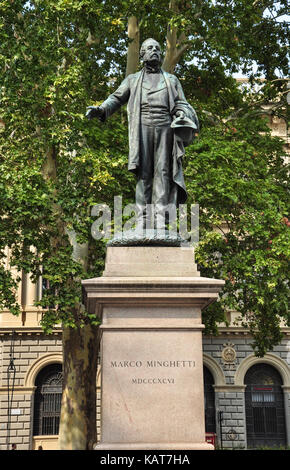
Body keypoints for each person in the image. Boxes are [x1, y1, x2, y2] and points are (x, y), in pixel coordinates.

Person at [86, 38, 199, 230]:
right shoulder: (132, 80)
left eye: (157, 48)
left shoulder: (171, 80)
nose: (154, 51)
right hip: (142, 128)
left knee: (163, 172)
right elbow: (116, 97)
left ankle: (161, 220)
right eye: (149, 48)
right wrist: (101, 109)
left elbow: (182, 103)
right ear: (142, 55)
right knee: (144, 173)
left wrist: (182, 113)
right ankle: (141, 220)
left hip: (166, 129)